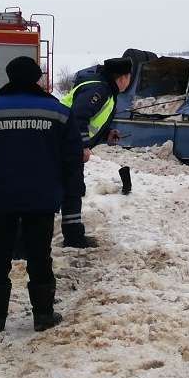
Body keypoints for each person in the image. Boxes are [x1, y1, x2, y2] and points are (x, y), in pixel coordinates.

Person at [0, 56, 83, 333]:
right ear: (36, 78)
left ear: (9, 76)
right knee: (40, 255)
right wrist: (63, 187)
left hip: (0, 198)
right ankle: (43, 316)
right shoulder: (58, 111)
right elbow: (72, 156)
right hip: (42, 198)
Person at [59, 57, 133, 248]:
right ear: (122, 78)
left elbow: (91, 120)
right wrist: (83, 146)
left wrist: (107, 133)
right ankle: (73, 238)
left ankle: (72, 234)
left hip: (64, 142)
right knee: (71, 190)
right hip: (63, 143)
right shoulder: (100, 89)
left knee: (72, 189)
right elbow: (78, 116)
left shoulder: (105, 89)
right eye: (129, 76)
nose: (129, 81)